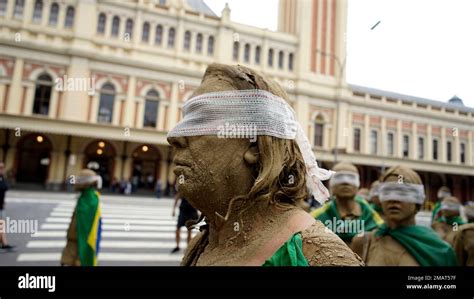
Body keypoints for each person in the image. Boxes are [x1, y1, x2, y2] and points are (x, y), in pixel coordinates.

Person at [167, 63, 363, 266]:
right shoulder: (200, 245)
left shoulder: (318, 255)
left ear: (255, 145)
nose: (174, 136)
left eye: (202, 118)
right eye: (187, 119)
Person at [351, 165, 457, 266]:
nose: (393, 199)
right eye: (387, 192)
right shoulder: (364, 243)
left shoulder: (439, 249)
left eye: (402, 193)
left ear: (418, 200)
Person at [311, 162, 383, 244]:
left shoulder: (370, 216)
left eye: (351, 178)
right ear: (330, 184)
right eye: (339, 178)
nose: (345, 182)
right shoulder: (317, 218)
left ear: (358, 184)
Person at [61, 169, 102, 266]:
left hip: (80, 239)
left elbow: (84, 225)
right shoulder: (86, 196)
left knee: (78, 260)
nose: (76, 183)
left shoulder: (89, 198)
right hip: (75, 238)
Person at [0, 162, 14, 251]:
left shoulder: (2, 178)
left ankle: (4, 243)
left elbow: (4, 189)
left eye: (2, 167)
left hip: (1, 205)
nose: (2, 169)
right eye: (0, 167)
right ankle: (4, 244)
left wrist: (3, 202)